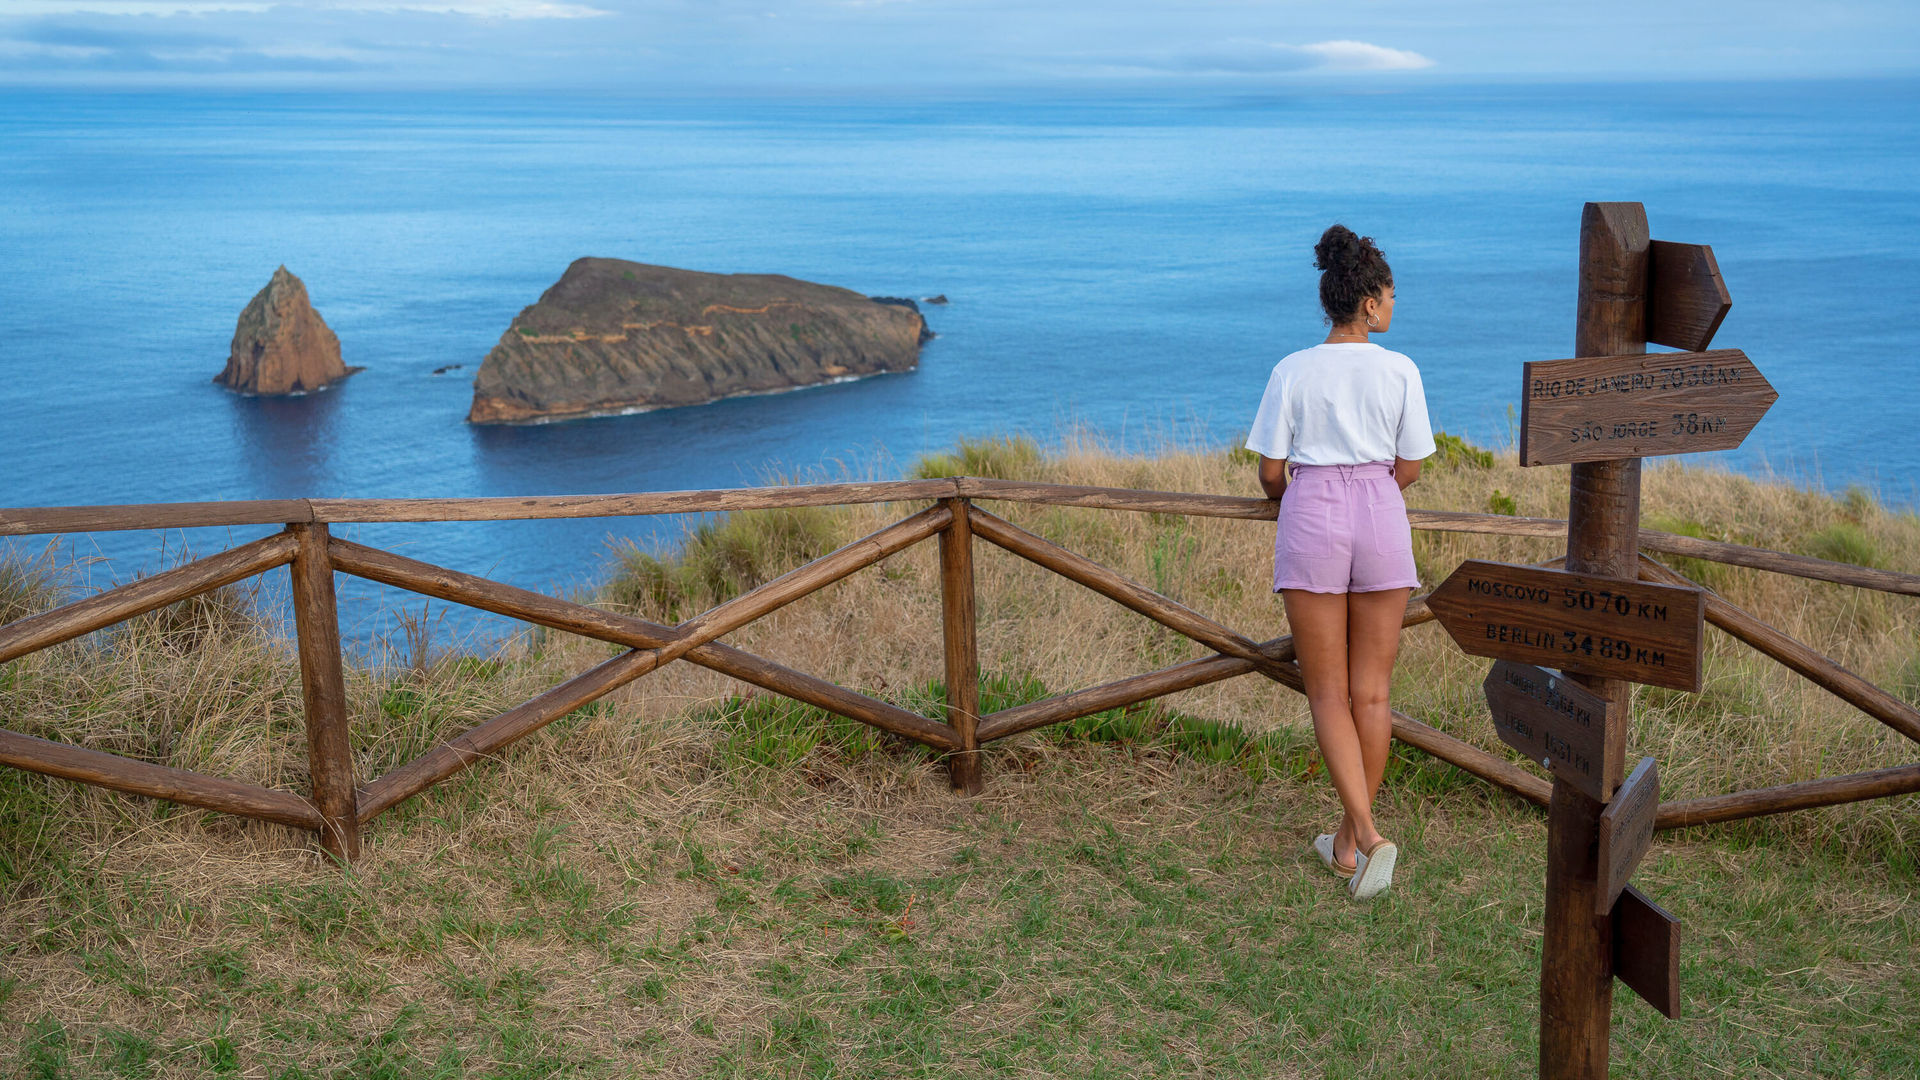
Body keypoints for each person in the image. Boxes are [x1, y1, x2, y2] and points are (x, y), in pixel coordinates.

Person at [1244, 225, 1435, 901]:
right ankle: (1348, 845)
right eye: (1390, 294)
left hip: (1314, 511)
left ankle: (1369, 837)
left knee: (1325, 692)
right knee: (1372, 693)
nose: (1392, 305)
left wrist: (1304, 491)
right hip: (1382, 511)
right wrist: (1371, 491)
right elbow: (1409, 464)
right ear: (1370, 303)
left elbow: (1271, 472)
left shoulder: (1292, 369)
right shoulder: (1400, 369)